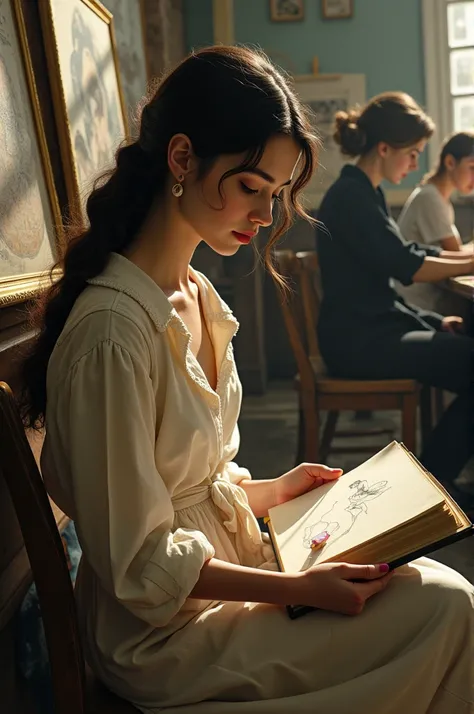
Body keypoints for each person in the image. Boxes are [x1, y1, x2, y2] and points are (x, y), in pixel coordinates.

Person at [20, 49, 473, 714]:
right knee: (446, 607)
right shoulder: (114, 332)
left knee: (432, 588)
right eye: (251, 187)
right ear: (181, 160)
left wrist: (277, 491)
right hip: (161, 637)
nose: (265, 217)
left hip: (222, 582)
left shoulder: (196, 295)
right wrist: (301, 591)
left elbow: (191, 482)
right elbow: (138, 563)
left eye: (277, 195)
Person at [316, 92, 474, 495]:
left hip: (369, 332)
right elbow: (406, 266)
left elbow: (400, 266)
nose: (416, 163)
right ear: (384, 149)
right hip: (358, 342)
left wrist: (436, 321)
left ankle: (434, 479)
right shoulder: (351, 197)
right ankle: (433, 485)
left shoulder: (365, 192)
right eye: (413, 153)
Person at [398, 131, 474, 251]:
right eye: (472, 167)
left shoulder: (440, 198)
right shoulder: (429, 197)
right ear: (450, 162)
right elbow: (455, 253)